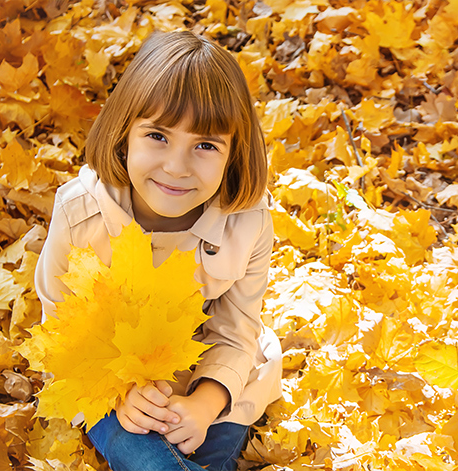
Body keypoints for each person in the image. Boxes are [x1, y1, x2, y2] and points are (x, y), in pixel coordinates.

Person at [34, 31, 282, 471]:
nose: (176, 166)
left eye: (205, 145)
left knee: (222, 422)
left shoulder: (247, 223)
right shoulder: (80, 214)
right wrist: (122, 393)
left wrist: (205, 405)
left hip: (208, 374)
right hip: (115, 389)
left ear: (233, 154)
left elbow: (236, 331)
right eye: (158, 137)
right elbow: (63, 329)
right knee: (144, 454)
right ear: (123, 133)